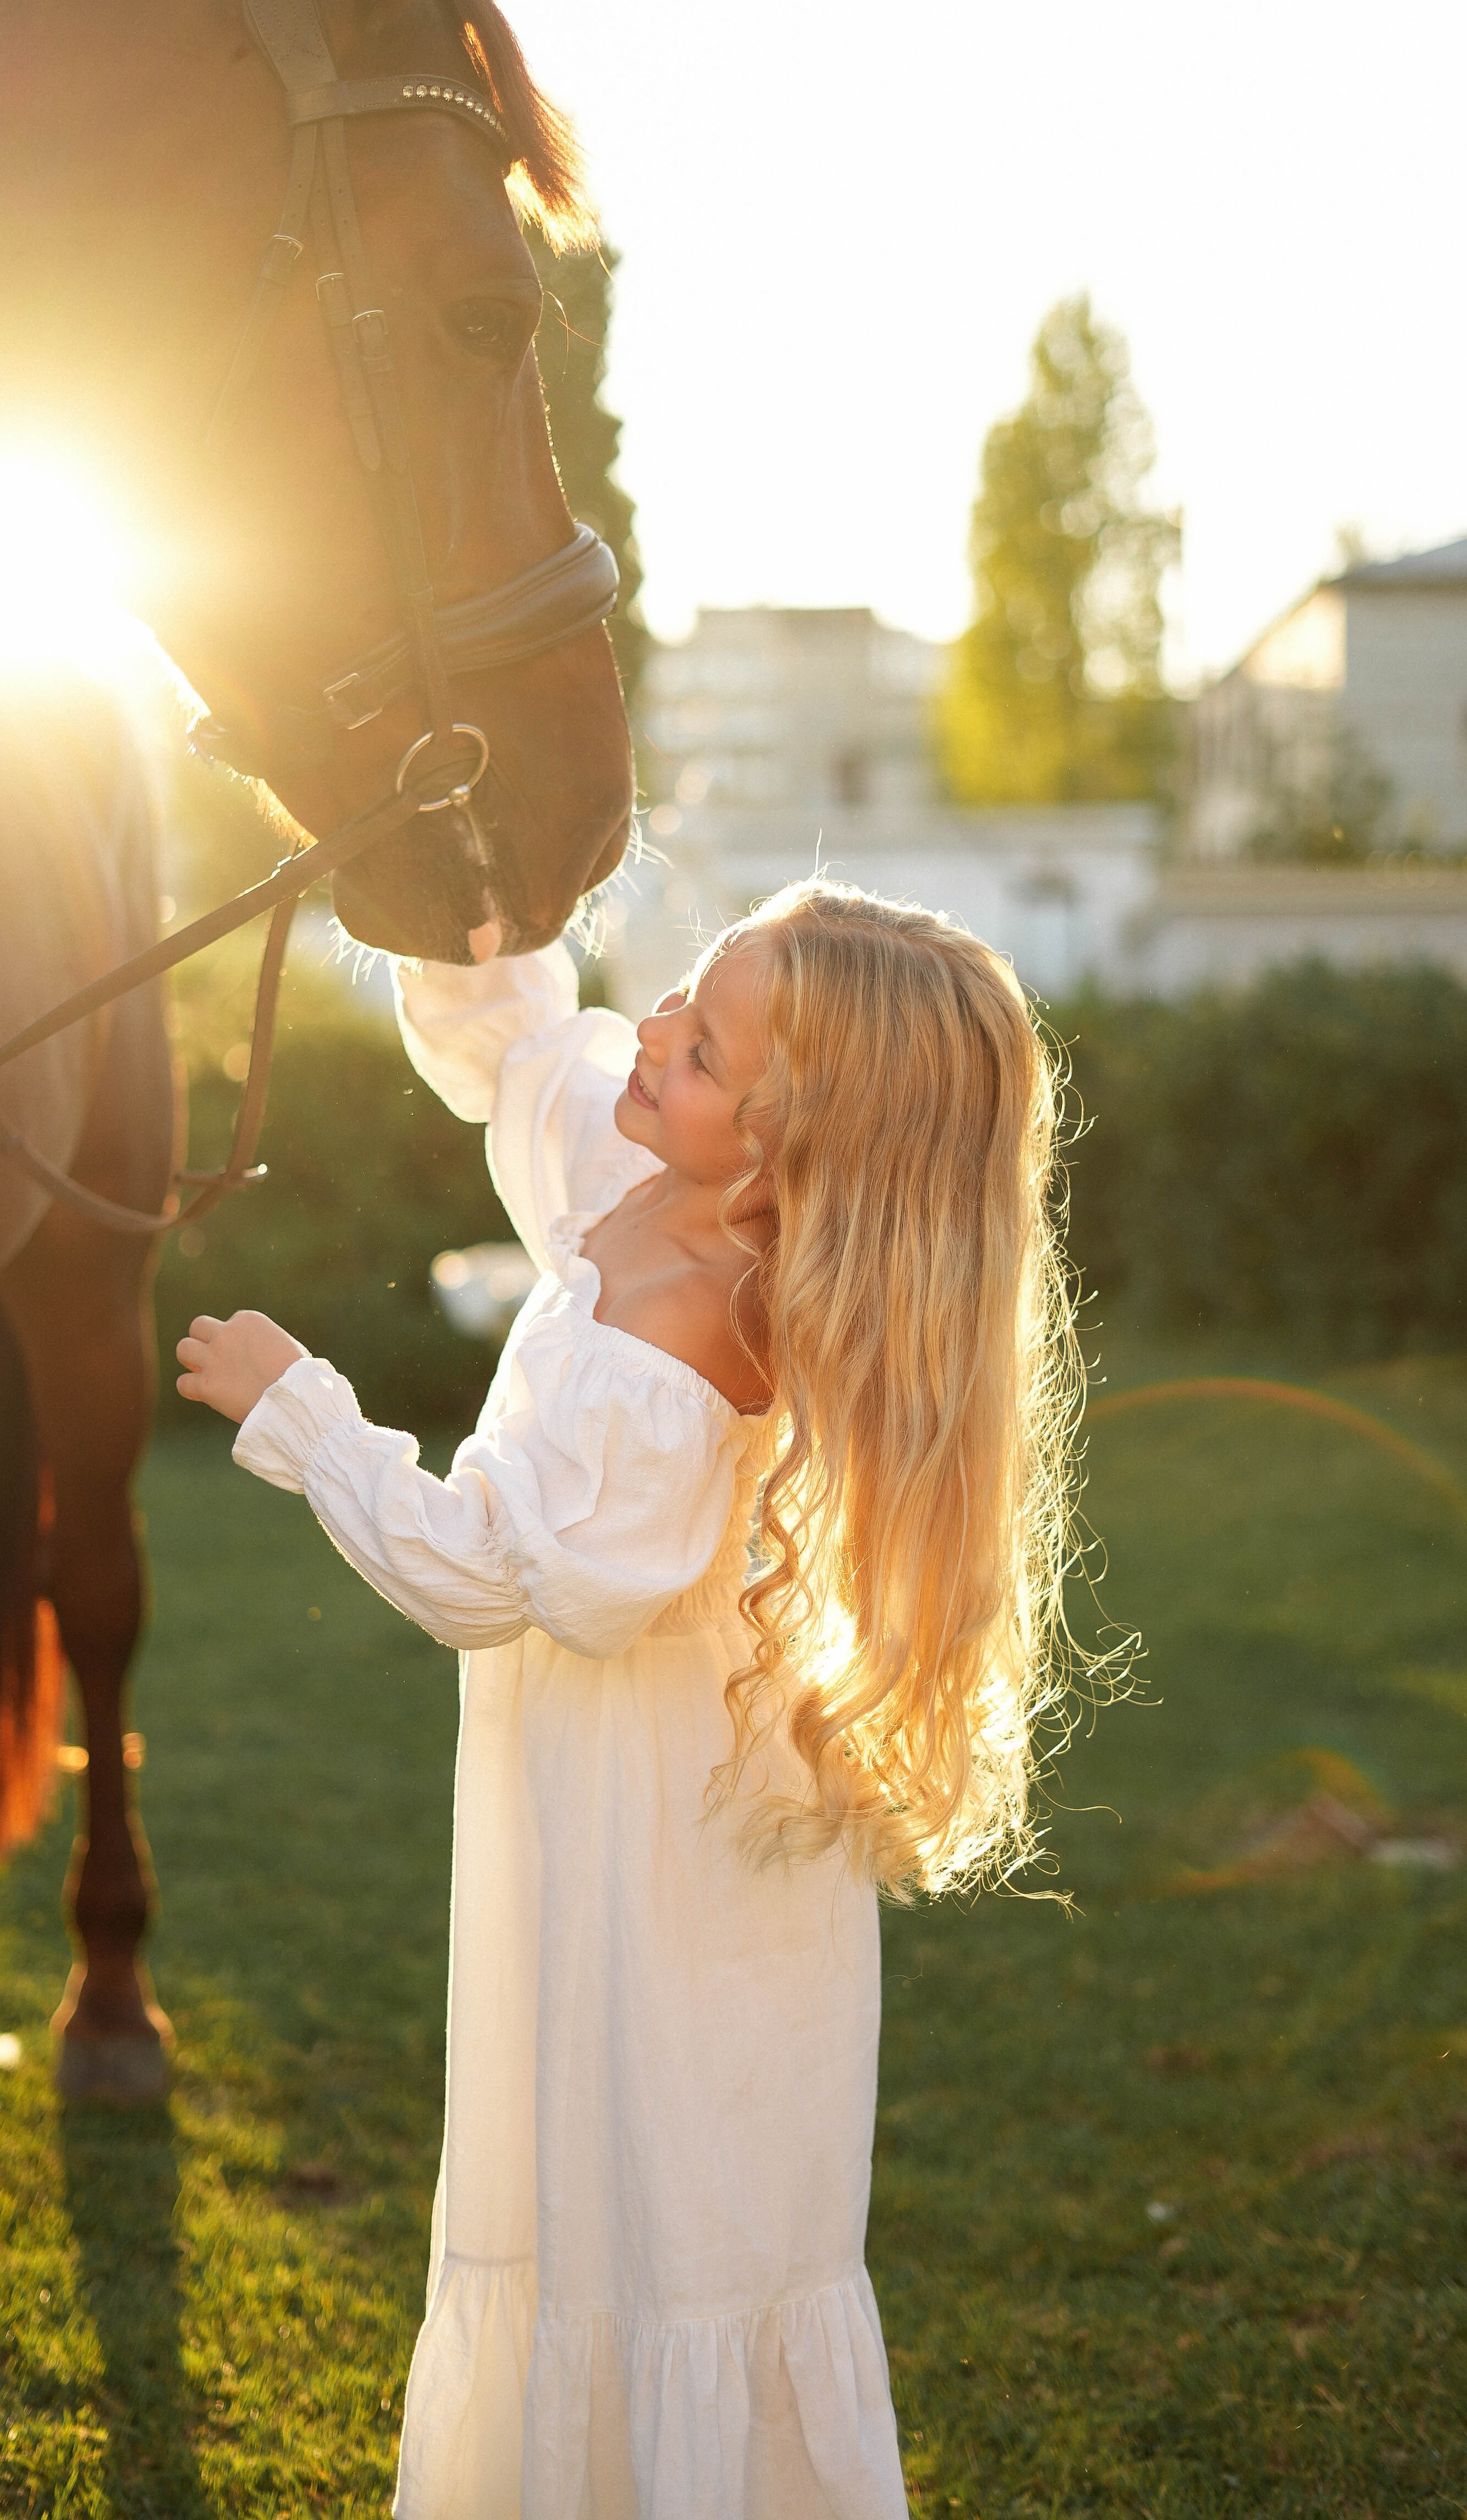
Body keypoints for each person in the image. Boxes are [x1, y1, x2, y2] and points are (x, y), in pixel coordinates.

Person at [176, 877, 1082, 2520]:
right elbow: (529, 1063)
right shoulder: (643, 1176)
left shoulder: (695, 1329)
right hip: (592, 1800)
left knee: (670, 2205)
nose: (652, 1030)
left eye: (703, 1046)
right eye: (679, 997)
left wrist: (301, 1413)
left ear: (785, 1141)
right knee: (597, 2190)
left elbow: (490, 1579)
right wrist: (484, 921)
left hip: (664, 1845)